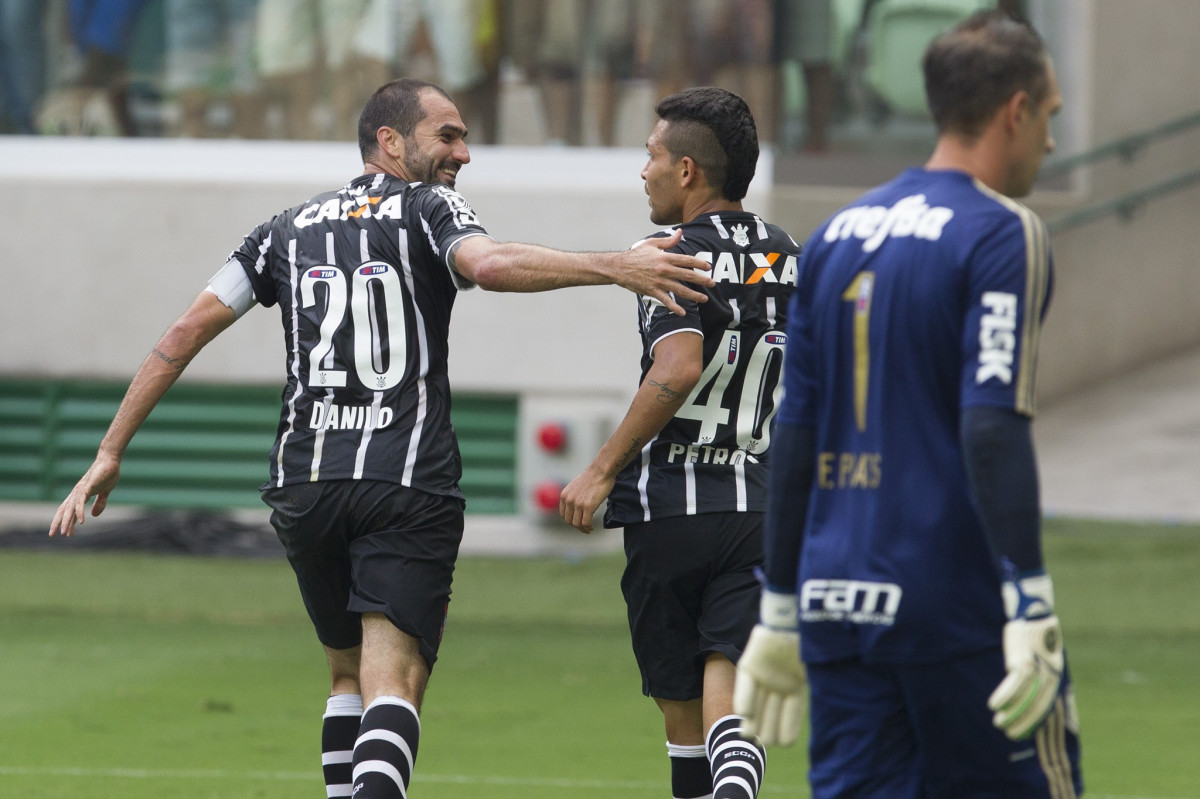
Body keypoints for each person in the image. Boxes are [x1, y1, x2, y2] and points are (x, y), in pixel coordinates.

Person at [48, 77, 713, 799]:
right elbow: (486, 265)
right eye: (448, 136)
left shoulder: (283, 229)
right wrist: (615, 266)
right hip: (406, 480)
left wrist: (110, 450)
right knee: (393, 677)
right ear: (390, 143)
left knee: (346, 672)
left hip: (306, 486)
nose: (463, 153)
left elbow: (184, 332)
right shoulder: (428, 207)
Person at [733, 10, 1084, 799]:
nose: (1052, 142)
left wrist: (780, 608)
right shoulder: (1002, 234)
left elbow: (793, 434)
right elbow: (990, 422)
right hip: (952, 603)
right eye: (1051, 116)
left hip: (836, 600)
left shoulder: (831, 236)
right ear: (1015, 111)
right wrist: (1028, 597)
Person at [560, 86, 799, 799]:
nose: (644, 172)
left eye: (652, 156)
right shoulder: (791, 254)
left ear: (688, 171)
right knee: (725, 664)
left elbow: (680, 364)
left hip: (668, 505)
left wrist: (601, 468)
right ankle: (736, 785)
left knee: (679, 706)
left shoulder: (665, 253)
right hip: (757, 506)